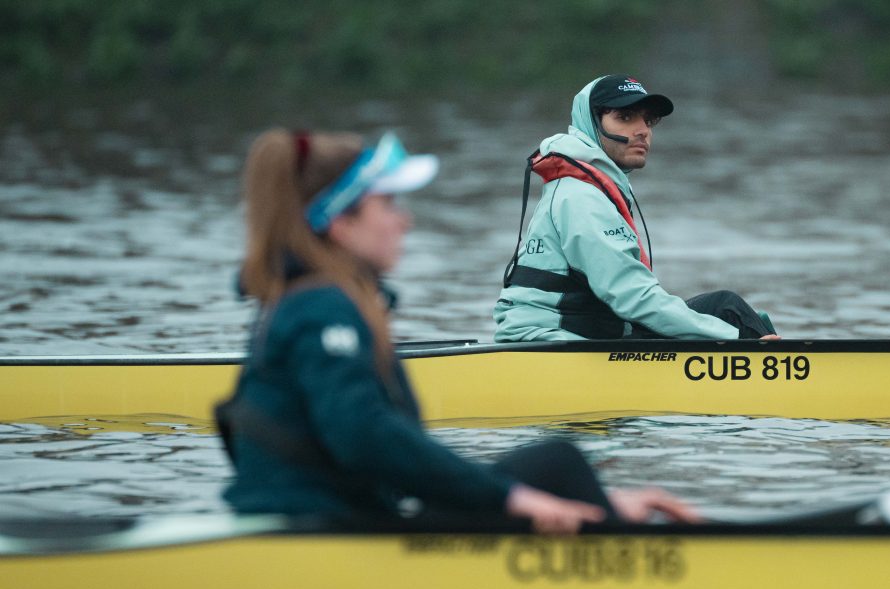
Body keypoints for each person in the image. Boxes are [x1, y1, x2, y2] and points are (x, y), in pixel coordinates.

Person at [219, 128, 699, 533]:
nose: (403, 221)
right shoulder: (322, 308)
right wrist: (512, 498)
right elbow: (364, 436)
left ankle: (605, 522)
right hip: (320, 528)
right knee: (557, 465)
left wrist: (571, 500)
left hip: (348, 512)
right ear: (341, 224)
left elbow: (381, 445)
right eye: (386, 204)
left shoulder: (322, 300)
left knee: (554, 463)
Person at [493, 74, 779, 342]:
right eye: (625, 117)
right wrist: (733, 338)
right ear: (592, 124)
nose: (642, 131)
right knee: (727, 312)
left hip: (580, 335)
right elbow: (633, 297)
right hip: (550, 343)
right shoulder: (582, 197)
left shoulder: (588, 188)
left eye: (648, 120)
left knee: (726, 311)